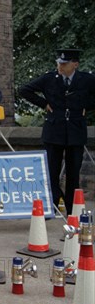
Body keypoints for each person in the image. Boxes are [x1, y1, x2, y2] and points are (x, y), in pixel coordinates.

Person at [19, 48, 95, 215]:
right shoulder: (49, 79)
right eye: (59, 63)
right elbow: (24, 90)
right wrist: (44, 103)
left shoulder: (87, 80)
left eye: (65, 64)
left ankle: (71, 210)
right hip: (54, 131)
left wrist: (86, 107)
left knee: (73, 173)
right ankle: (53, 204)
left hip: (75, 131)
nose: (60, 67)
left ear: (75, 64)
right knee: (51, 172)